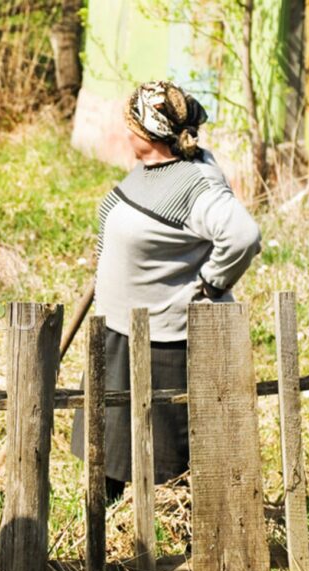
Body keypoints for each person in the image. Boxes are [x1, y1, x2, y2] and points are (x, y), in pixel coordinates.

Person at [71, 80, 262, 502]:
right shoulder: (154, 168)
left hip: (159, 340)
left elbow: (243, 236)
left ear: (146, 131)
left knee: (162, 464)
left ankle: (159, 543)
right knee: (108, 454)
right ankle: (104, 542)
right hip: (120, 329)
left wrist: (210, 284)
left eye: (130, 125)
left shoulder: (196, 182)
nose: (124, 133)